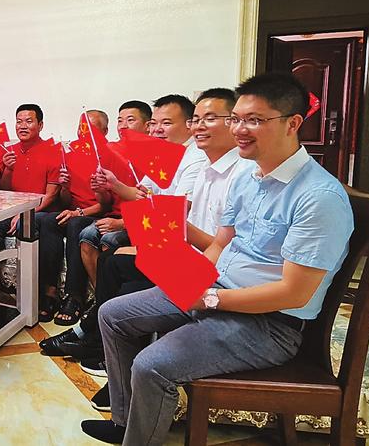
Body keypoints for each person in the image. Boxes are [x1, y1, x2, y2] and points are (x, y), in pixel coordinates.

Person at [81, 73, 354, 445]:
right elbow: (221, 243)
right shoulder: (248, 178)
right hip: (218, 291)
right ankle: (125, 422)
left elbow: (294, 293)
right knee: (112, 314)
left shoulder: (318, 196)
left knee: (151, 365)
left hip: (268, 324)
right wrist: (190, 280)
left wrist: (209, 298)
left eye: (254, 120)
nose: (240, 129)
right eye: (237, 119)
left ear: (292, 124)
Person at [47, 89, 252, 383]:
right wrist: (121, 191)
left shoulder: (222, 168)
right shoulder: (201, 164)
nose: (157, 130)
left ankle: (100, 340)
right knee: (110, 259)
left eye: (166, 123)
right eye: (197, 120)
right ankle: (96, 337)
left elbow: (178, 217)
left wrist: (148, 227)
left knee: (111, 255)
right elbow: (148, 200)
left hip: (204, 266)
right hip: (187, 251)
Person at [36, 109, 111, 324]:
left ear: (105, 131)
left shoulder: (109, 157)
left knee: (75, 224)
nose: (84, 132)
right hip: (74, 211)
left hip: (95, 214)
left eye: (91, 128)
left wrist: (79, 212)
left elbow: (107, 204)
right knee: (48, 221)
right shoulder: (70, 154)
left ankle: (75, 296)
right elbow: (66, 201)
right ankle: (49, 292)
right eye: (81, 127)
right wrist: (65, 187)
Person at [0, 104, 61, 304]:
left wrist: (24, 213)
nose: (22, 126)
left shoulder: (53, 151)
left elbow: (51, 195)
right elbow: (3, 191)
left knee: (34, 224)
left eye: (28, 121)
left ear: (40, 125)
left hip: (42, 210)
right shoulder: (9, 151)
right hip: (14, 209)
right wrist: (8, 169)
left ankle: (45, 291)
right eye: (19, 122)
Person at [77, 100, 154, 287]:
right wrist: (100, 190)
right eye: (120, 121)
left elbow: (152, 202)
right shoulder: (111, 150)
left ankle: (112, 293)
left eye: (130, 120)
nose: (123, 126)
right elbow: (106, 202)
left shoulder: (156, 155)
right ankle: (99, 292)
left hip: (143, 221)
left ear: (147, 125)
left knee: (109, 239)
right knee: (86, 235)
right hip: (115, 215)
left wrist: (122, 223)